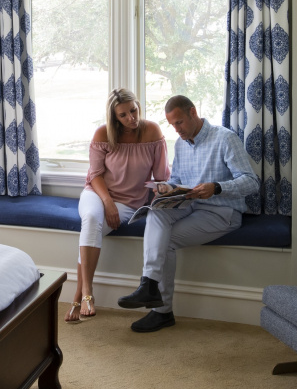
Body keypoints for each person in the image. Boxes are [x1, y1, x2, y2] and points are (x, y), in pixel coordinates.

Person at [117, 95, 260, 333]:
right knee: (155, 212)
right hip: (189, 205)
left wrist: (217, 187)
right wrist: (166, 188)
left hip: (222, 212)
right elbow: (178, 179)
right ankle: (148, 284)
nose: (177, 130)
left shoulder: (225, 138)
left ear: (193, 112)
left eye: (179, 122)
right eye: (172, 125)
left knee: (166, 242)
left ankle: (162, 311)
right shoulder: (181, 145)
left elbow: (251, 182)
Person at [66, 89, 169, 323]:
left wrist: (160, 198)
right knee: (92, 219)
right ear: (115, 117)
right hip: (97, 193)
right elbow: (95, 175)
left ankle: (77, 294)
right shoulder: (103, 133)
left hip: (130, 202)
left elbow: (161, 175)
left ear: (138, 106)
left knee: (92, 231)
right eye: (123, 115)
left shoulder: (152, 130)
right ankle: (87, 293)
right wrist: (108, 203)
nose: (131, 118)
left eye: (133, 110)